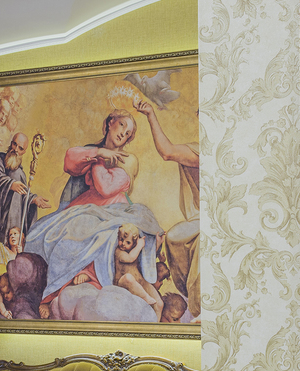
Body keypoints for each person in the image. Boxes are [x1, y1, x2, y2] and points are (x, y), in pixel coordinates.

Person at [24, 109, 162, 318]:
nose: (123, 134)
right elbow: (69, 161)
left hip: (114, 208)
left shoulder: (128, 159)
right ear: (110, 122)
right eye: (122, 125)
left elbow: (106, 188)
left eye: (128, 133)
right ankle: (55, 291)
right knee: (65, 234)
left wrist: (97, 160)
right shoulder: (93, 150)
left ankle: (89, 278)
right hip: (87, 206)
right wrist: (99, 153)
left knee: (103, 234)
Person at [134, 96, 200, 318]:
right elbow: (167, 151)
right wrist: (151, 115)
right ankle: (191, 298)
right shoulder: (199, 151)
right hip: (201, 218)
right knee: (173, 237)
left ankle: (199, 307)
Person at [0, 133, 50, 260]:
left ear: (24, 152)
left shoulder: (20, 173)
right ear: (11, 143)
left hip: (12, 220)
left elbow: (23, 195)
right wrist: (10, 184)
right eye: (14, 144)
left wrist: (33, 199)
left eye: (20, 148)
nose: (15, 149)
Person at [113, 224, 164, 319]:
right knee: (128, 278)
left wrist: (158, 242)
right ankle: (146, 297)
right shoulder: (119, 252)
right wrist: (139, 245)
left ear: (134, 243)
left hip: (139, 281)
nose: (123, 243)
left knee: (159, 304)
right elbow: (130, 258)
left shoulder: (135, 250)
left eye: (128, 242)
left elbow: (148, 258)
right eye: (121, 239)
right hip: (122, 282)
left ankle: (155, 325)